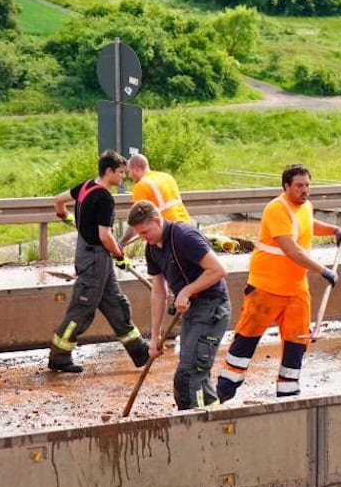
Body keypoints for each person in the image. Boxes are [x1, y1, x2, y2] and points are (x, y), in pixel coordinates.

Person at [215, 164, 341, 401]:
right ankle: (225, 389)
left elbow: (307, 224)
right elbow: (291, 249)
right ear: (286, 186)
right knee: (247, 339)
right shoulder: (276, 209)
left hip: (296, 290)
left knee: (297, 342)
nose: (304, 190)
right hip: (266, 288)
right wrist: (323, 270)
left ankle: (288, 393)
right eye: (299, 186)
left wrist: (334, 229)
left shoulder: (305, 206)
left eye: (307, 185)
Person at [48, 150, 150, 373]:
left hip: (90, 254)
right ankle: (59, 357)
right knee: (82, 309)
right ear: (109, 171)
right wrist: (120, 256)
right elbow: (105, 236)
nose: (123, 177)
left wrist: (64, 216)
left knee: (115, 303)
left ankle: (139, 351)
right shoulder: (104, 198)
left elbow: (58, 201)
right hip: (95, 258)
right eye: (120, 173)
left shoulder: (85, 187)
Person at [127, 200, 230, 410]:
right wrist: (155, 336)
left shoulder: (184, 236)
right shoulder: (152, 249)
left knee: (189, 374)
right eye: (139, 234)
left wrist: (186, 291)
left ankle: (195, 423)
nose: (143, 237)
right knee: (197, 372)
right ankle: (215, 415)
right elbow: (158, 292)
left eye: (145, 232)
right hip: (192, 311)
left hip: (212, 307)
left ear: (157, 221)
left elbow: (218, 270)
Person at [120, 152, 238, 253]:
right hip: (186, 226)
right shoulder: (167, 177)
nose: (130, 176)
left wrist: (121, 243)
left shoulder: (141, 186)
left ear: (136, 169)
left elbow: (136, 220)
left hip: (167, 234)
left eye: (130, 172)